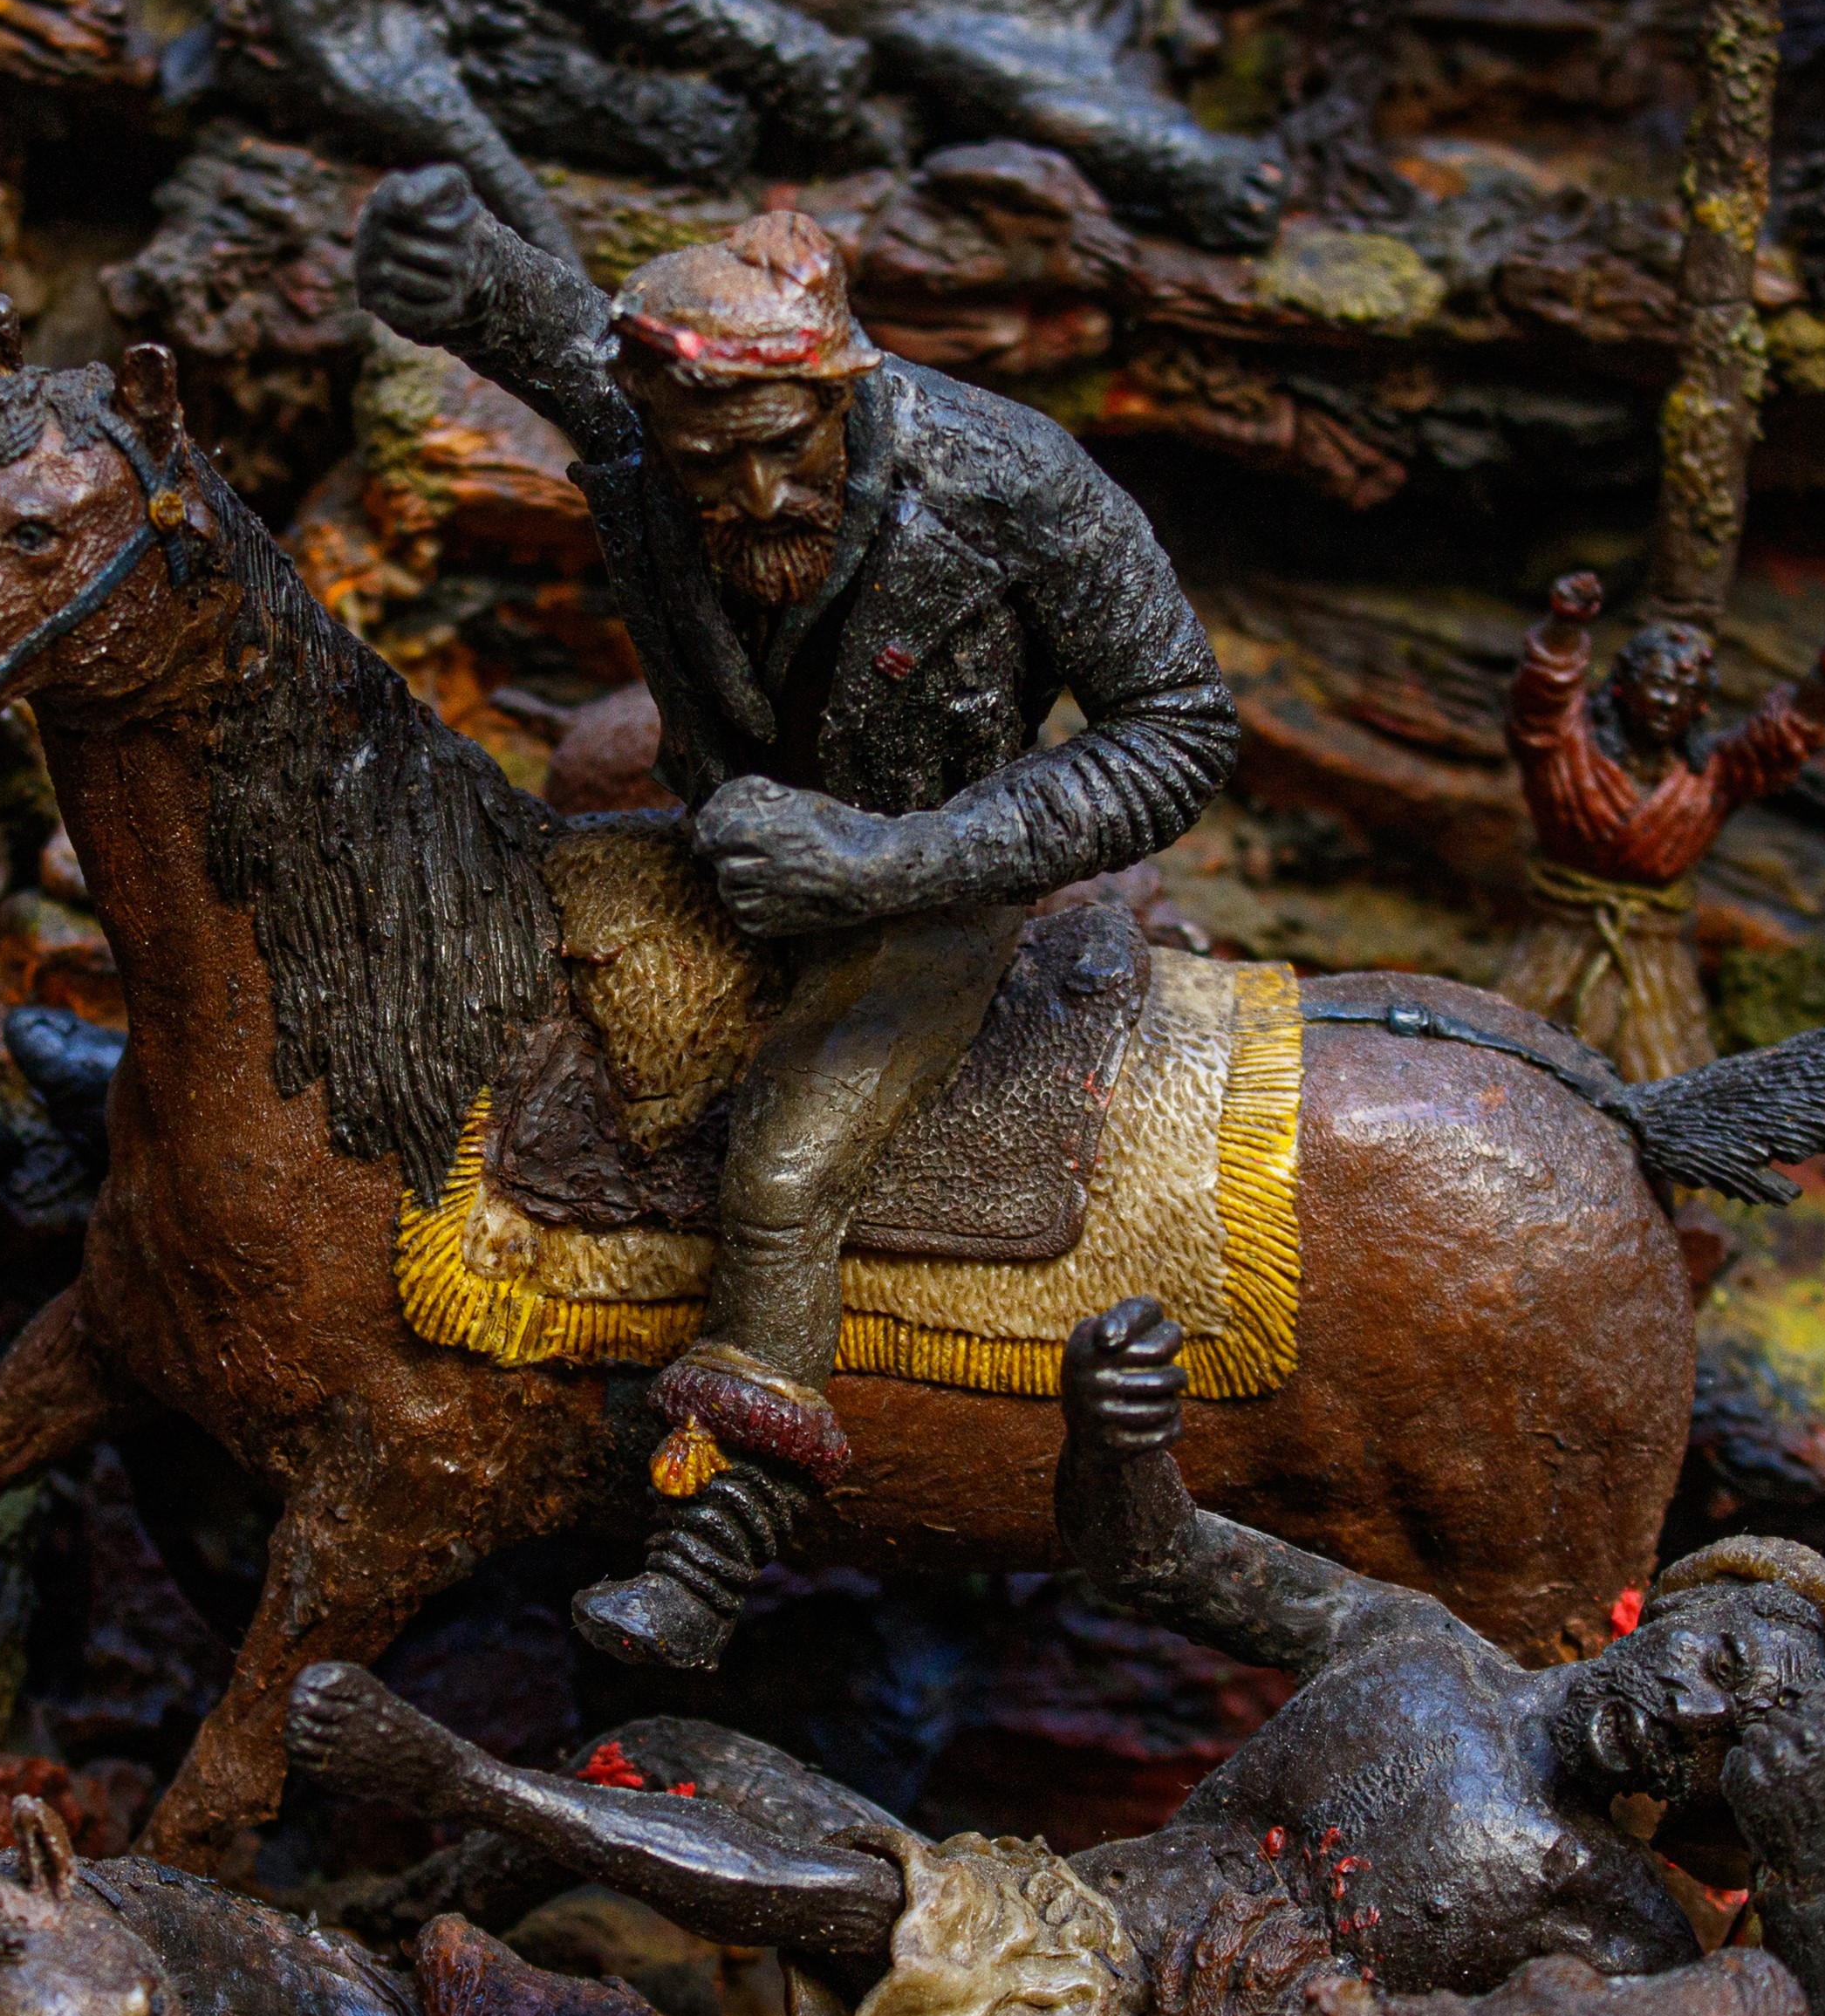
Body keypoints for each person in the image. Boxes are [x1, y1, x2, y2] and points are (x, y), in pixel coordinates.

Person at [284, 1295, 1825, 2016]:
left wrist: (1810, 1888)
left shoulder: (1618, 1923)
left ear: (1741, 1795)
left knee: (893, 1916)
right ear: (1667, 1608)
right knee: (662, 1753)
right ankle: (391, 1920)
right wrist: (1122, 1446)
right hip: (1055, 1909)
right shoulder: (1414, 1645)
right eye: (1721, 1656)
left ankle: (460, 1781)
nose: (1699, 1709)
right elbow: (1153, 1560)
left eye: (1751, 1734)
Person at [355, 164, 1238, 1669]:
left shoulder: (1015, 483)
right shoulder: (651, 421)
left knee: (784, 1163)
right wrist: (437, 261)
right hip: (723, 835)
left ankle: (717, 1536)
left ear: (845, 387)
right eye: (710, 468)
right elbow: (534, 315)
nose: (755, 497)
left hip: (934, 885)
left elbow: (1181, 727)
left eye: (784, 448)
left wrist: (895, 862)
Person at [1499, 568, 1825, 1078]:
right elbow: (1538, 701)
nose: (1666, 702)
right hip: (1557, 941)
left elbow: (1781, 739)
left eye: (1684, 692)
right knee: (1512, 1067)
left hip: (1654, 957)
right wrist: (1564, 625)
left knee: (1667, 1074)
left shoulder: (1712, 776)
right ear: (1622, 686)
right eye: (1657, 684)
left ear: (1701, 704)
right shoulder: (1568, 752)